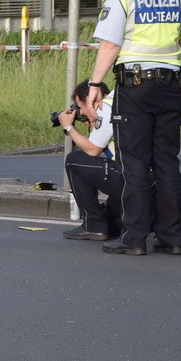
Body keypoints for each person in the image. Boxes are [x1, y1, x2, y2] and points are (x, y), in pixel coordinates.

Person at [87, 0, 181, 256]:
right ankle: (172, 238)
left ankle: (134, 237)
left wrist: (96, 85)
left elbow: (110, 44)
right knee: (167, 162)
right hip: (170, 87)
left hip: (135, 88)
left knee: (135, 163)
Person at [60, 80, 123, 241]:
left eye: (80, 107)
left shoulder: (105, 108)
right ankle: (114, 222)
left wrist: (69, 128)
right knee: (110, 219)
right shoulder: (119, 98)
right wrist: (92, 123)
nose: (81, 113)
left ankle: (93, 226)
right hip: (144, 174)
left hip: (127, 176)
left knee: (73, 161)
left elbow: (92, 150)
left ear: (91, 99)